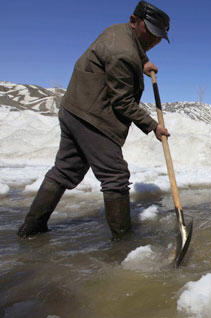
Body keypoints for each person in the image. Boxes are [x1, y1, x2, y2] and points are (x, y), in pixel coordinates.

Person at [17, 1, 171, 240]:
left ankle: (31, 229)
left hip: (75, 109)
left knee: (64, 171)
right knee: (115, 176)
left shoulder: (119, 32)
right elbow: (122, 102)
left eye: (158, 36)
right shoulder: (123, 53)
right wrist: (153, 126)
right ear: (134, 20)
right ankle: (122, 243)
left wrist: (143, 62)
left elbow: (132, 49)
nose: (153, 40)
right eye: (149, 32)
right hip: (93, 117)